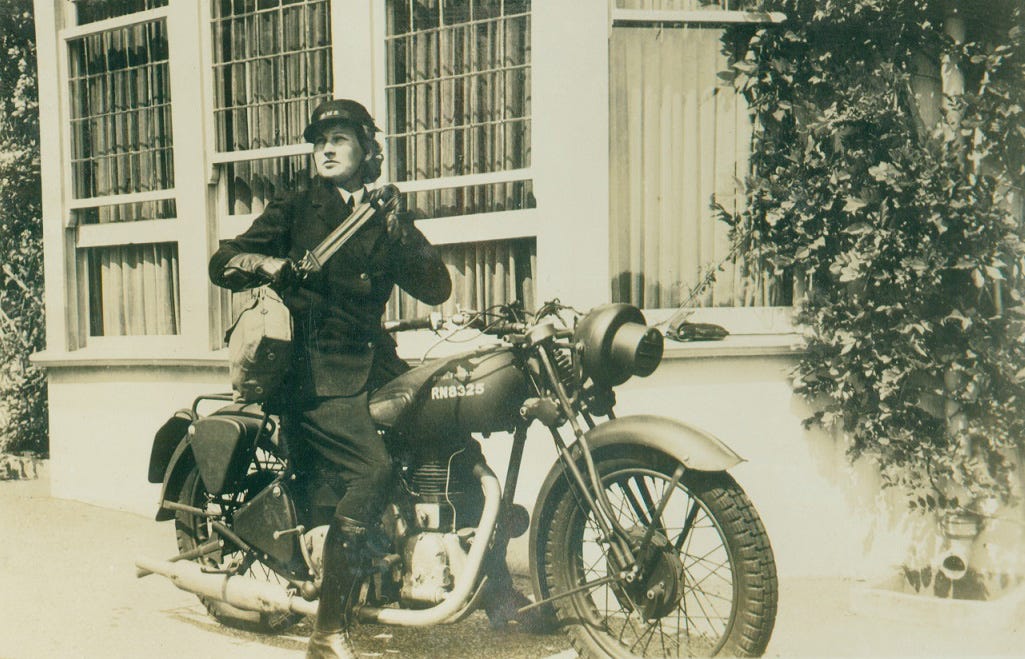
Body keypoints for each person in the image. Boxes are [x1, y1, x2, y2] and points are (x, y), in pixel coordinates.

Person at [209, 99, 534, 659]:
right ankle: (327, 631)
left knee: (456, 446)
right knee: (373, 471)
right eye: (320, 140)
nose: (327, 149)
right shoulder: (296, 206)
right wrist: (268, 265)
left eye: (340, 138)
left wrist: (400, 231)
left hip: (377, 363)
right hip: (313, 374)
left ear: (367, 149)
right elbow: (223, 261)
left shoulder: (382, 213)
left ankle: (499, 598)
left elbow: (435, 289)